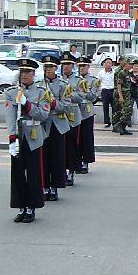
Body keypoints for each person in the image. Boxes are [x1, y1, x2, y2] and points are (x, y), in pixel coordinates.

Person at [5, 58, 51, 223]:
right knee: (17, 173)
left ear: (33, 74)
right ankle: (21, 206)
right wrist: (11, 137)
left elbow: (43, 115)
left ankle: (32, 206)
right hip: (18, 135)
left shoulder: (41, 92)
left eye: (28, 72)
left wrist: (27, 105)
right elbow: (9, 115)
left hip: (34, 135)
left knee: (33, 173)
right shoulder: (11, 91)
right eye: (22, 71)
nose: (24, 75)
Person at [40, 55, 72, 201]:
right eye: (46, 67)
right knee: (44, 157)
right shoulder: (39, 85)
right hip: (42, 124)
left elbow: (66, 106)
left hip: (57, 124)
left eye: (51, 67)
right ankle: (45, 186)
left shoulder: (63, 85)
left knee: (57, 157)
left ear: (55, 68)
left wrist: (53, 103)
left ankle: (55, 187)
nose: (48, 69)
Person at [60, 51, 84, 187]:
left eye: (68, 64)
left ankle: (71, 171)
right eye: (63, 64)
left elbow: (81, 97)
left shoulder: (79, 81)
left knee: (72, 144)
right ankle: (61, 170)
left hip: (73, 115)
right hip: (60, 117)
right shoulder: (57, 80)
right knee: (60, 146)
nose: (65, 67)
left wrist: (70, 94)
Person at [76, 56, 99, 174]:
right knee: (75, 139)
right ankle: (76, 161)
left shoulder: (93, 80)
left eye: (84, 66)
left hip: (87, 111)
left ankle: (86, 161)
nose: (81, 68)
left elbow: (93, 96)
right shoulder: (74, 79)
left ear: (88, 67)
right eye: (80, 66)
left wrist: (84, 91)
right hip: (74, 112)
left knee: (87, 137)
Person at [112, 57, 133, 135]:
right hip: (122, 94)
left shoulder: (127, 73)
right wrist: (120, 96)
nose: (131, 65)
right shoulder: (121, 72)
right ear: (125, 64)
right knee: (124, 111)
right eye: (129, 64)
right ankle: (118, 126)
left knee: (128, 111)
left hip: (127, 94)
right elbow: (119, 85)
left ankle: (122, 127)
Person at [97, 58, 115, 127]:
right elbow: (98, 83)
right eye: (107, 63)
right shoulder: (100, 73)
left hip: (112, 90)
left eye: (110, 63)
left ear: (112, 64)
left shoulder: (114, 72)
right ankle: (107, 122)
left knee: (114, 107)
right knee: (105, 107)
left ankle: (114, 121)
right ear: (104, 64)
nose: (108, 64)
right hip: (104, 91)